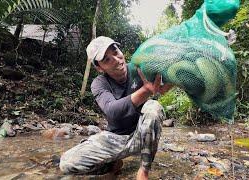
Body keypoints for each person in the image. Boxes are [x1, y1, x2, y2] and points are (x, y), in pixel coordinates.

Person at [59, 36, 173, 180]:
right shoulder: (99, 84)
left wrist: (168, 83)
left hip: (142, 135)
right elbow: (113, 111)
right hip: (115, 138)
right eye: (106, 59)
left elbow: (164, 79)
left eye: (115, 51)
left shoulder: (139, 69)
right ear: (99, 68)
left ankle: (144, 170)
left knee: (153, 107)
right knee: (67, 164)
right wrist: (146, 90)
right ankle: (112, 165)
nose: (116, 59)